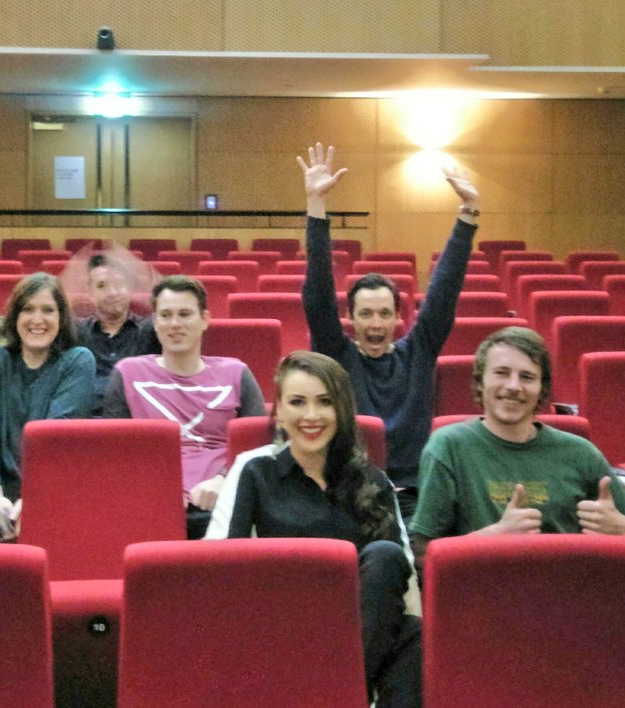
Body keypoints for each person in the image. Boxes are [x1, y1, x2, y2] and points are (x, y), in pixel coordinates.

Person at [410, 326, 625, 707]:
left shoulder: (580, 453)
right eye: (501, 373)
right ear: (480, 382)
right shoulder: (448, 447)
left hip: (588, 611)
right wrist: (490, 539)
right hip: (499, 617)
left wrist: (624, 531)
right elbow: (422, 555)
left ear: (542, 389)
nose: (513, 386)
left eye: (527, 377)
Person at [226, 350, 421, 708]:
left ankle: (340, 693)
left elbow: (397, 579)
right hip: (282, 625)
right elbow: (231, 570)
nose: (311, 416)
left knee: (397, 588)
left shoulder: (372, 480)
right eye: (298, 402)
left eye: (325, 402)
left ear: (341, 411)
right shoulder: (257, 474)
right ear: (280, 411)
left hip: (361, 626)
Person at [299, 142, 479, 521]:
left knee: (429, 566)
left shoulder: (418, 351)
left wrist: (468, 214)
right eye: (366, 314)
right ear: (352, 318)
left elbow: (445, 290)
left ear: (398, 316)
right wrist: (316, 206)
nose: (376, 323)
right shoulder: (338, 355)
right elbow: (316, 296)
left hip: (416, 492)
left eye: (384, 313)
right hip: (353, 489)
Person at [103, 274, 266, 539]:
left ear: (205, 320)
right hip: (150, 503)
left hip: (224, 501)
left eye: (185, 314)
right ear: (155, 323)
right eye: (165, 315)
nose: (175, 324)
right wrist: (158, 489)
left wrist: (223, 480)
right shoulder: (128, 373)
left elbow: (257, 446)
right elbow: (116, 452)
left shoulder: (236, 373)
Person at [0, 272, 95, 542]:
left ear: (61, 318)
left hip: (54, 490)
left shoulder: (78, 362)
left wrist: (34, 501)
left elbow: (55, 441)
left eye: (48, 310)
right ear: (15, 317)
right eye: (28, 309)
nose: (38, 320)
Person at [75, 252, 160, 415]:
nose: (112, 292)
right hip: (87, 424)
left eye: (119, 284)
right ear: (90, 293)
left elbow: (173, 305)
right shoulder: (77, 332)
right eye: (101, 286)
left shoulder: (150, 330)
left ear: (129, 288)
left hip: (135, 425)